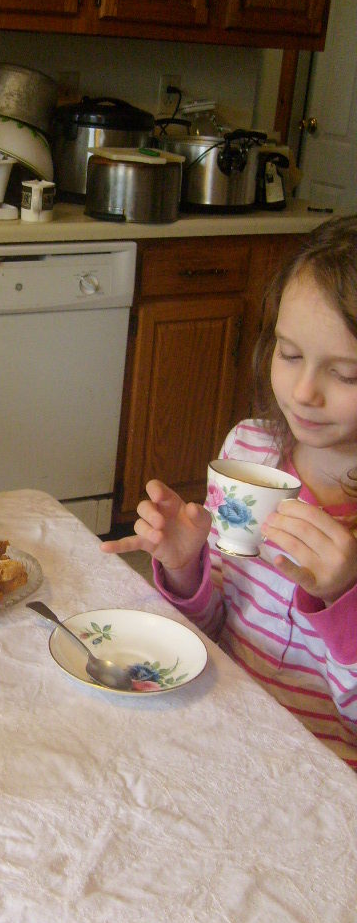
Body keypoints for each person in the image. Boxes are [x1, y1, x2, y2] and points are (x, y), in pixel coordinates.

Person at [103, 215, 357, 769]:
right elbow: (215, 636)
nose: (305, 392)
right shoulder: (250, 452)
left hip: (323, 777)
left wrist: (344, 598)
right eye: (289, 355)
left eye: (346, 374)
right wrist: (186, 566)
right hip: (223, 733)